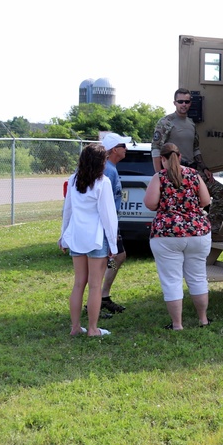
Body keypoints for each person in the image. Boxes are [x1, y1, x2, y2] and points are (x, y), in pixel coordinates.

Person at [144, 142, 213, 330]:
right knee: (198, 277)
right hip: (197, 232)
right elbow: (205, 201)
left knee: (172, 280)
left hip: (167, 234)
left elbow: (150, 204)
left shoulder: (159, 177)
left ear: (162, 159)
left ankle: (177, 324)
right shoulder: (193, 175)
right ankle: (203, 320)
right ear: (180, 156)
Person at [152, 88, 223, 235]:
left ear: (190, 103)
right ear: (174, 103)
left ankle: (211, 231)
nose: (183, 104)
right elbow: (156, 149)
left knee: (221, 192)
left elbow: (196, 149)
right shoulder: (166, 122)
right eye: (180, 101)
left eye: (187, 101)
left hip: (192, 170)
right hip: (173, 172)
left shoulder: (191, 124)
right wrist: (160, 175)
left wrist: (204, 168)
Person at [59, 143, 118, 337]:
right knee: (94, 285)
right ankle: (93, 329)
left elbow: (67, 210)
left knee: (78, 284)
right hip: (96, 239)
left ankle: (75, 327)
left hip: (76, 237)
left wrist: (63, 236)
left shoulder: (73, 180)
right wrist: (113, 245)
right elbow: (108, 216)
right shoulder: (103, 182)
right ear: (101, 162)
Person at [99, 132, 133, 316]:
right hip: (105, 224)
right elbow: (105, 202)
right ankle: (97, 300)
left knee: (117, 258)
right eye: (123, 146)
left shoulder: (110, 168)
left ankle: (103, 296)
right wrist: (111, 230)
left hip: (110, 223)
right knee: (111, 259)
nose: (126, 149)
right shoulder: (108, 170)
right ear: (114, 150)